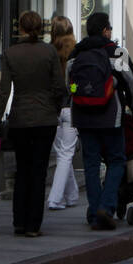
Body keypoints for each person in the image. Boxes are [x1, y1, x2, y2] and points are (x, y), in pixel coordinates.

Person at [0, 11, 67, 237]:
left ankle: (19, 221)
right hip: (45, 119)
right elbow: (58, 86)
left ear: (21, 29)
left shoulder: (11, 53)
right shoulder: (49, 52)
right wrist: (54, 108)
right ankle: (33, 225)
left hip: (20, 119)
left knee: (22, 170)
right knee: (39, 171)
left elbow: (4, 90)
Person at [69, 12, 133, 232]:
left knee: (91, 165)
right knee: (116, 161)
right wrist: (132, 102)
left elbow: (69, 84)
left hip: (82, 116)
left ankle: (93, 212)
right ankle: (106, 207)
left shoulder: (76, 53)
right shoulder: (117, 52)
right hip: (111, 117)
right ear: (105, 31)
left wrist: (78, 96)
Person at [47, 15, 80, 211]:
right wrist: (73, 91)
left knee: (61, 152)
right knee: (65, 154)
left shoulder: (48, 51)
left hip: (52, 107)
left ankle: (72, 194)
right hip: (71, 108)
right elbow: (75, 84)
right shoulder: (76, 53)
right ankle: (55, 198)